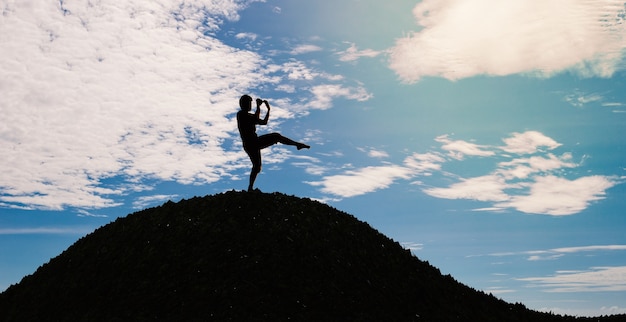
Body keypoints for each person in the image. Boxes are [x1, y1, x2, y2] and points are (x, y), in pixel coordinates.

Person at [236, 94, 310, 192]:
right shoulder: (241, 114)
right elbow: (255, 118)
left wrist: (268, 110)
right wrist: (258, 107)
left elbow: (264, 122)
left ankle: (250, 187)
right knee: (275, 137)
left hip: (253, 143)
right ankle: (297, 145)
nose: (250, 105)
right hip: (251, 143)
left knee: (257, 166)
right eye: (249, 103)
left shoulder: (248, 115)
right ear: (244, 104)